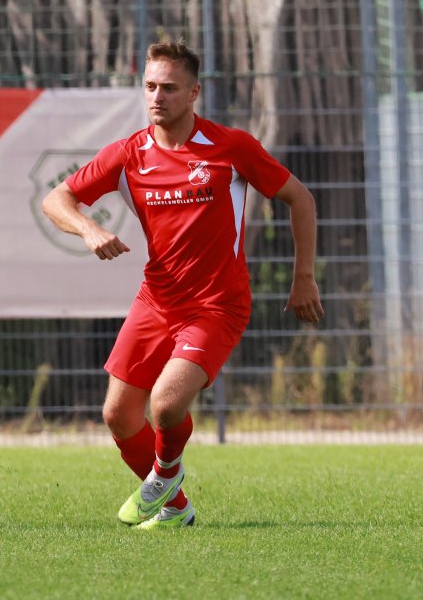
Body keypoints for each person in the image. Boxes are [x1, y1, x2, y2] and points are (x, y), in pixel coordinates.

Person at [41, 39, 324, 529]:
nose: (156, 97)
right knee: (118, 415)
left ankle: (162, 477)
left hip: (217, 305)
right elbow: (57, 199)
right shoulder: (128, 153)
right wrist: (89, 228)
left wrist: (303, 278)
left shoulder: (230, 148)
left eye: (169, 88)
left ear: (193, 93)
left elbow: (300, 199)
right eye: (150, 86)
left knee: (167, 403)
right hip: (156, 300)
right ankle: (175, 509)